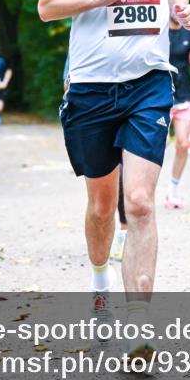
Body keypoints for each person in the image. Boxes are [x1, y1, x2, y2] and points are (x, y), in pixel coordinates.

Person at [37, 0, 190, 361]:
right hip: (88, 87)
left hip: (149, 81)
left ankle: (139, 328)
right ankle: (100, 280)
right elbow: (46, 6)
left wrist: (181, 10)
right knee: (102, 204)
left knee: (141, 203)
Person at [65, 53, 128, 263]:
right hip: (92, 87)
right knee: (102, 199)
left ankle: (125, 233)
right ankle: (101, 272)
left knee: (131, 177)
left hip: (139, 87)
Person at [165, 19, 190, 209]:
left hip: (184, 95)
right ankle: (144, 188)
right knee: (157, 143)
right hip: (159, 94)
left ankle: (172, 190)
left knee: (183, 143)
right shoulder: (157, 29)